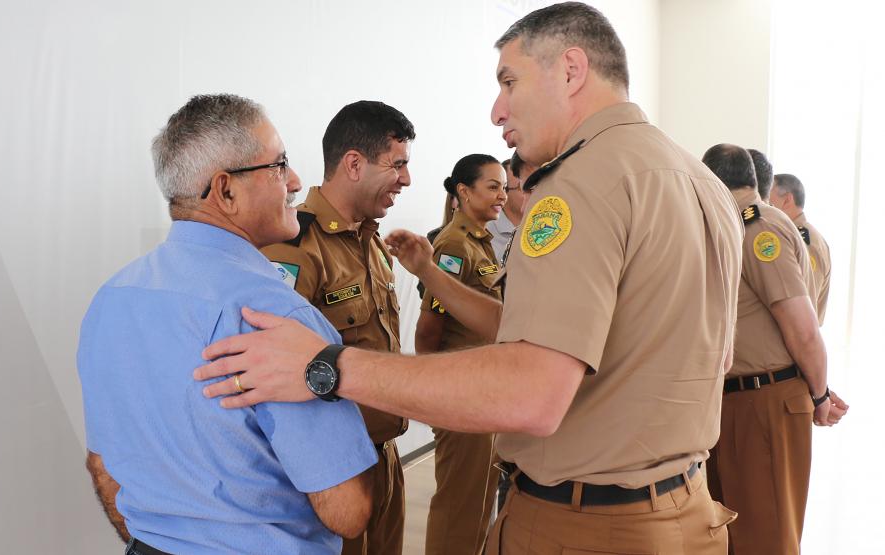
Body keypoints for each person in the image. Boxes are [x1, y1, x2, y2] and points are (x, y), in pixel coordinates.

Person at [194, 3, 744, 553]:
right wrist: (430, 275)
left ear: (571, 70)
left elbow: (532, 393)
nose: (497, 110)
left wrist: (330, 367)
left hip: (591, 525)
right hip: (685, 510)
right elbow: (691, 352)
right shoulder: (702, 183)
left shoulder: (583, 182)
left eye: (509, 81)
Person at [77, 94, 377, 555]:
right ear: (226, 191)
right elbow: (348, 510)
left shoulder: (112, 298)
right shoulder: (280, 320)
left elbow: (103, 466)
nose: (296, 181)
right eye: (279, 165)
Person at [260, 100, 415, 555]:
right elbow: (272, 369)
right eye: (397, 165)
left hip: (385, 456)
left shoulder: (373, 243)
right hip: (334, 471)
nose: (406, 179)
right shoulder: (296, 247)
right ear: (353, 164)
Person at [701, 144, 848, 554]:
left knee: (765, 539)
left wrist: (819, 394)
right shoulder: (732, 223)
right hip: (738, 400)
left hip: (763, 400)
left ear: (710, 179)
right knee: (730, 537)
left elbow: (803, 328)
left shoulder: (758, 228)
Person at [415, 154, 506, 555]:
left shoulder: (479, 242)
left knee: (479, 501)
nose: (502, 195)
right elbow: (429, 327)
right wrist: (434, 391)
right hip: (460, 393)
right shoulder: (453, 245)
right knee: (460, 508)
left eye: (504, 187)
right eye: (493, 186)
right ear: (465, 192)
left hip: (482, 391)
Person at [770, 173, 832, 325]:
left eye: (769, 202)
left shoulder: (806, 242)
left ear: (787, 200)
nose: (765, 206)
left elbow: (806, 302)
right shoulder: (789, 234)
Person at [486, 156, 527, 262]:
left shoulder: (546, 224)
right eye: (522, 187)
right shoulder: (485, 233)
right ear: (503, 193)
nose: (532, 192)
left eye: (535, 185)